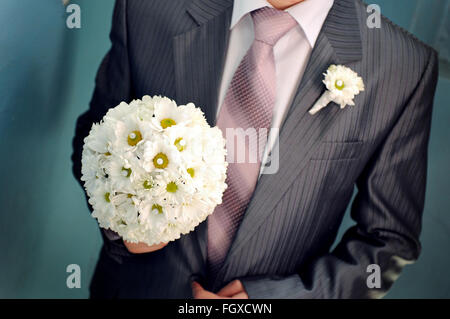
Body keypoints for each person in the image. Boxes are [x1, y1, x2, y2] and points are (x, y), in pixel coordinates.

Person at [72, 0, 439, 298]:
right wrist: (124, 227)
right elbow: (97, 137)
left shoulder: (402, 67)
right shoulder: (150, 8)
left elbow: (388, 240)